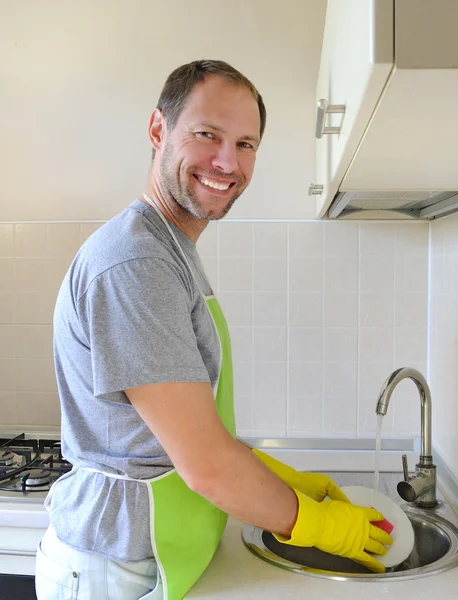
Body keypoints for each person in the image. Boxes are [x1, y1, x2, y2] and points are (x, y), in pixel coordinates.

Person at [35, 59, 392, 600]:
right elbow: (205, 465)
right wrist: (320, 526)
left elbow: (191, 432)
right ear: (159, 129)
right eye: (208, 134)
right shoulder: (137, 263)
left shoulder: (168, 248)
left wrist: (287, 483)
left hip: (146, 555)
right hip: (113, 569)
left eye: (246, 144)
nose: (228, 162)